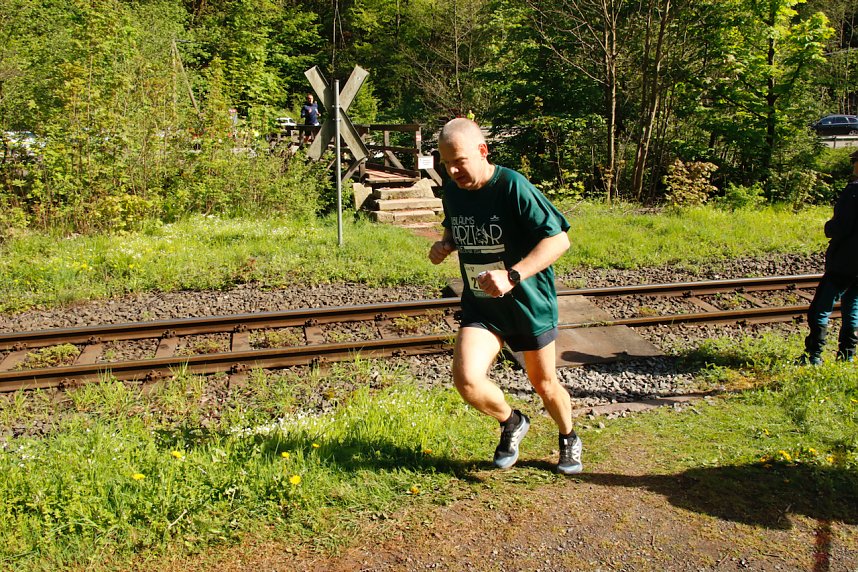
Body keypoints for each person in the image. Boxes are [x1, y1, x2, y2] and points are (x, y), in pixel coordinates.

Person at [428, 118, 582, 474]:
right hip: (482, 307)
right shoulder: (453, 191)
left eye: (459, 161)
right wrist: (445, 245)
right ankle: (512, 421)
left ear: (482, 151)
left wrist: (513, 275)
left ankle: (568, 436)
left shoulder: (513, 186)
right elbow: (456, 229)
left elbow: (559, 240)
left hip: (527, 304)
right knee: (467, 381)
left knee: (544, 384)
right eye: (446, 163)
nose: (452, 171)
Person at [801, 161, 858, 365]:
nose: (853, 166)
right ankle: (847, 356)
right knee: (853, 307)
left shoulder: (854, 191)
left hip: (846, 261)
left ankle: (814, 356)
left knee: (821, 307)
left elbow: (842, 226)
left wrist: (829, 228)